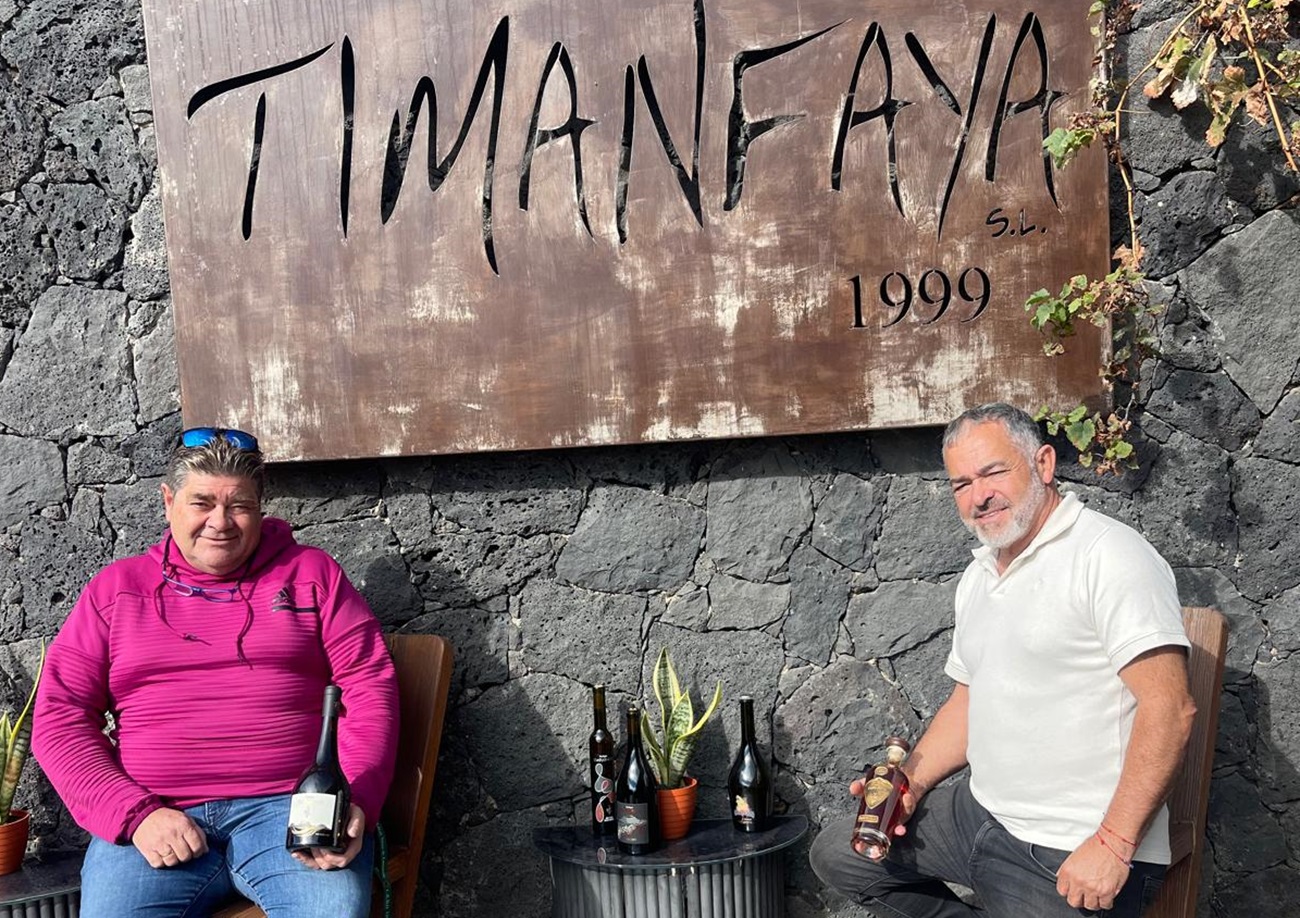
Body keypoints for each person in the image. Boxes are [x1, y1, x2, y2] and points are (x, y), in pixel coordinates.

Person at [810, 403, 1196, 917]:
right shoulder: (982, 574)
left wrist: (1114, 843)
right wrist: (913, 785)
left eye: (993, 472)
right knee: (842, 854)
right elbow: (970, 698)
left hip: (1068, 847)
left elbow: (1170, 709)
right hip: (981, 815)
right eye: (961, 484)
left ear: (1043, 464)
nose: (978, 496)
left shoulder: (1108, 555)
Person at [34, 427, 400, 917]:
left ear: (261, 507)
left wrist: (355, 798)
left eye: (240, 506)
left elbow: (369, 687)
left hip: (291, 812)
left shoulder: (312, 576)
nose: (220, 523)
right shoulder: (115, 591)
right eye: (201, 502)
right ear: (168, 502)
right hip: (157, 817)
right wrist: (135, 815)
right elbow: (61, 717)